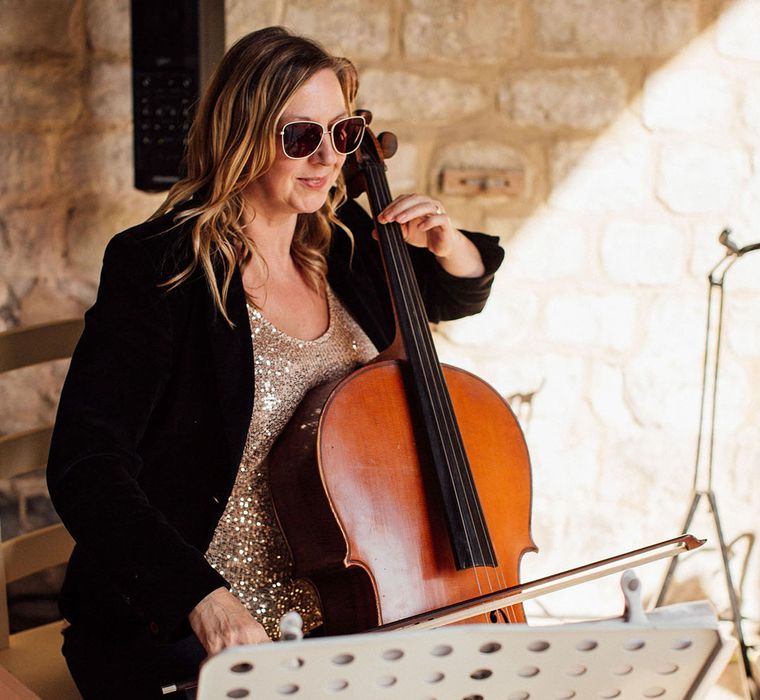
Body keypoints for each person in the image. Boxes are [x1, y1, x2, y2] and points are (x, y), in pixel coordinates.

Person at [47, 26, 504, 699]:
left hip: (346, 617)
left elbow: (461, 287)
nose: (327, 158)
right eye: (299, 138)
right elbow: (85, 464)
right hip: (194, 629)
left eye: (342, 135)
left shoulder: (346, 249)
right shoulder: (161, 267)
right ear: (242, 135)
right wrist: (200, 598)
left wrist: (445, 239)